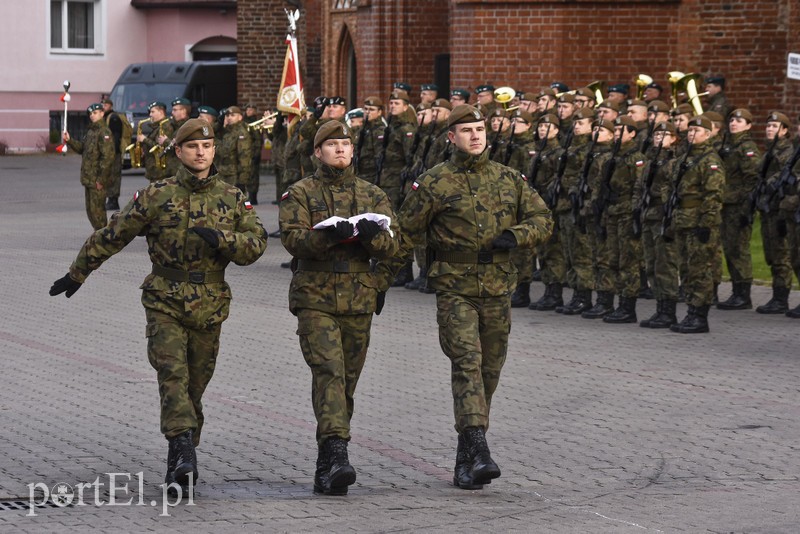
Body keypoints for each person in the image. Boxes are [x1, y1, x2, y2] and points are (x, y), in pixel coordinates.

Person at [49, 118, 268, 493]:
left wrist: (223, 239)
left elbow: (256, 244)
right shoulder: (157, 194)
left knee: (194, 386)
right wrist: (77, 273)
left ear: (214, 150)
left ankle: (181, 449)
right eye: (193, 147)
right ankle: (182, 452)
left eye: (208, 146)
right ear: (179, 152)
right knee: (172, 376)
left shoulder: (232, 197)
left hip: (210, 305)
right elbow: (113, 234)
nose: (201, 152)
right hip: (164, 298)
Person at [377, 105, 553, 490]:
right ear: (450, 137)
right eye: (467, 130)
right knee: (468, 361)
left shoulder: (509, 179)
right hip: (454, 288)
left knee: (490, 368)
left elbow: (543, 219)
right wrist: (380, 282)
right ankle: (478, 443)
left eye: (480, 129)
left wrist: (517, 235)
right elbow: (405, 234)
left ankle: (467, 454)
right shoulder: (435, 183)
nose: (475, 136)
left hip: (497, 287)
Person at [280, 121, 399, 495]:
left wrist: (373, 241)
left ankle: (326, 460)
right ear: (318, 152)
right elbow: (291, 239)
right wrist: (326, 237)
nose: (340, 150)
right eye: (331, 144)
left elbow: (394, 247)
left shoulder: (372, 194)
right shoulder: (300, 193)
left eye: (345, 144)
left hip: (358, 296)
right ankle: (336, 453)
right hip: (315, 296)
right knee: (329, 371)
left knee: (346, 381)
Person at [664, 115, 724, 333]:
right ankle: (691, 310)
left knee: (700, 269)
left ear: (707, 134)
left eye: (697, 131)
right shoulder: (685, 158)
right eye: (690, 131)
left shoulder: (710, 161)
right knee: (687, 268)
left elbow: (713, 195)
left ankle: (699, 315)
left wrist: (706, 224)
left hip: (699, 221)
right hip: (682, 220)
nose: (692, 134)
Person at [717, 108, 760, 310]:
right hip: (727, 205)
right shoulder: (728, 145)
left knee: (738, 249)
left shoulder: (746, 147)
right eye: (732, 120)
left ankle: (743, 294)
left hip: (738, 206)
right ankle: (737, 291)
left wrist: (746, 208)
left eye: (740, 121)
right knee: (730, 248)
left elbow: (751, 179)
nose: (734, 123)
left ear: (749, 126)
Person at [754, 112, 796, 314]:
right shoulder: (770, 151)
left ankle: (781, 298)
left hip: (782, 208)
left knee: (782, 254)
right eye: (768, 125)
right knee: (772, 253)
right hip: (769, 207)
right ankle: (778, 297)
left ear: (785, 130)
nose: (770, 129)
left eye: (775, 126)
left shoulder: (787, 151)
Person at [62, 102, 115, 230]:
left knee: (98, 213)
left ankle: (103, 239)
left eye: (95, 113)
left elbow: (107, 158)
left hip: (97, 181)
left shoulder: (104, 133)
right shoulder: (91, 131)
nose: (92, 116)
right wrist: (70, 140)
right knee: (91, 212)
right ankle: (99, 237)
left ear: (102, 113)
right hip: (89, 179)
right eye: (90, 114)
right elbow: (82, 149)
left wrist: (100, 180)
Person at [218, 106, 254, 194]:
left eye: (233, 115)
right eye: (228, 115)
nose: (229, 117)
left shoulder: (241, 133)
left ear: (240, 117)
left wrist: (242, 179)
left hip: (233, 175)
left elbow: (244, 157)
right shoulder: (227, 131)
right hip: (223, 173)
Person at [138, 101, 174, 183]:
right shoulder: (158, 126)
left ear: (161, 112)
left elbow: (160, 147)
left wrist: (144, 139)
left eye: (153, 112)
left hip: (160, 171)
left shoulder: (164, 126)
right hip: (155, 170)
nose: (150, 115)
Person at [101, 98, 124, 211]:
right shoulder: (105, 117)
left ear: (110, 105)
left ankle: (113, 201)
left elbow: (115, 136)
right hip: (109, 152)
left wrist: (112, 151)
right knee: (109, 176)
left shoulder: (113, 118)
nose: (103, 107)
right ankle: (110, 199)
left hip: (114, 152)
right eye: (103, 105)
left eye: (105, 105)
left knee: (114, 177)